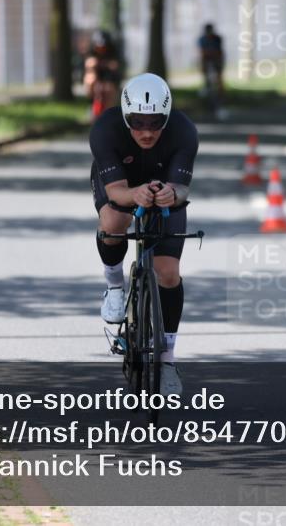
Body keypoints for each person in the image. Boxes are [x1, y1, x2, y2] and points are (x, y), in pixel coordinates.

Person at [89, 73, 199, 396]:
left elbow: (181, 188)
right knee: (112, 221)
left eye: (155, 123)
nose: (147, 132)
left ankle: (166, 359)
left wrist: (171, 194)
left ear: (167, 118)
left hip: (163, 188)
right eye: (138, 123)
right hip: (122, 186)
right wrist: (136, 193)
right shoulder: (105, 130)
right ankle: (114, 285)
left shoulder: (184, 131)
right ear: (125, 117)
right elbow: (117, 192)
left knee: (168, 273)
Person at [84, 30, 122, 118]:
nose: (100, 49)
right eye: (98, 47)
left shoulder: (113, 52)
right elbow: (89, 64)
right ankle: (92, 105)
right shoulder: (92, 53)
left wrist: (101, 64)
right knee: (91, 79)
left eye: (103, 47)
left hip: (110, 80)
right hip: (97, 80)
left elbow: (115, 66)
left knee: (109, 89)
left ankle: (109, 113)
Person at [197, 23, 227, 120]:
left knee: (218, 85)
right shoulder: (202, 40)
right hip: (207, 63)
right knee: (208, 85)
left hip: (216, 63)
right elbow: (202, 53)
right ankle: (209, 106)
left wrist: (219, 68)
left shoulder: (217, 39)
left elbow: (219, 53)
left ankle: (220, 104)